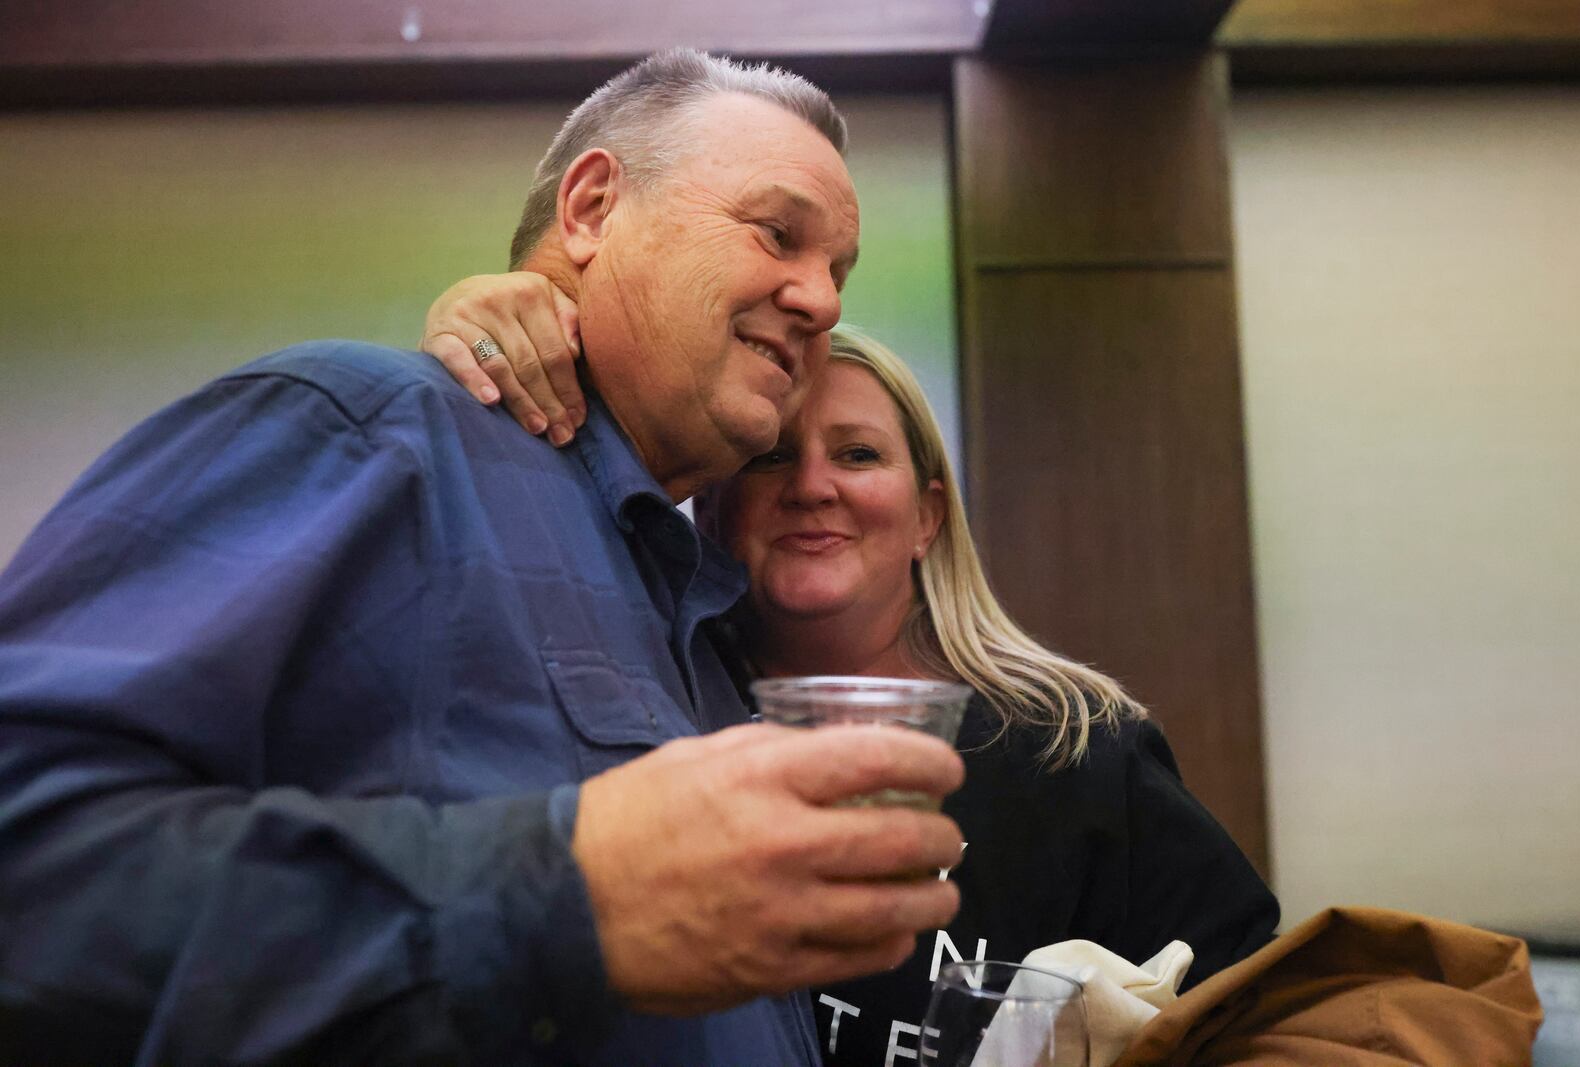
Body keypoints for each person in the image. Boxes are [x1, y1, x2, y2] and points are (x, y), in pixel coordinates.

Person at [0, 51, 971, 1066]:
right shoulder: (374, 434)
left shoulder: (703, 611)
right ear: (591, 208)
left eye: (839, 274)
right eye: (779, 233)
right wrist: (562, 892)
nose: (820, 298)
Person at [418, 277, 1283, 1065]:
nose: (813, 486)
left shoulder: (1075, 749)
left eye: (859, 454)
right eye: (770, 457)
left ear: (926, 516)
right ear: (708, 507)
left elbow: (1265, 1018)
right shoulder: (648, 719)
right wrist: (484, 348)